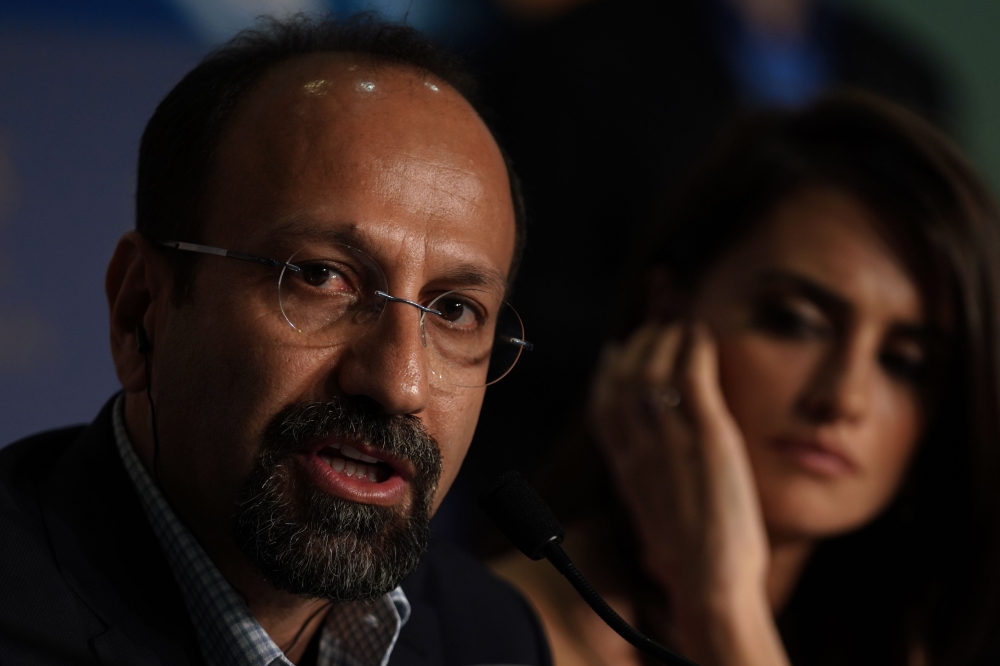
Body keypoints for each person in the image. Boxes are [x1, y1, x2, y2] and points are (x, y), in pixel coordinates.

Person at [0, 15, 550, 666]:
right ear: (140, 309)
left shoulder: (490, 638)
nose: (399, 381)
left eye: (455, 310)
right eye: (322, 277)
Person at [492, 92, 1000, 666]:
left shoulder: (918, 644)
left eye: (905, 362)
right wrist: (720, 603)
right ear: (667, 315)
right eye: (794, 323)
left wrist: (725, 611)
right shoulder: (487, 631)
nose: (843, 398)